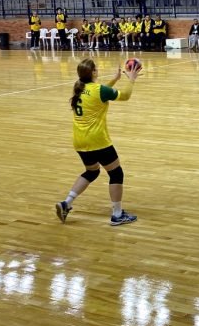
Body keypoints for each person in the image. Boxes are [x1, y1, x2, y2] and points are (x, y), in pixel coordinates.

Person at [55, 58, 141, 226]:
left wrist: (115, 79)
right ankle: (117, 214)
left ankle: (66, 203)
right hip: (97, 141)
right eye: (96, 68)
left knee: (92, 172)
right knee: (116, 173)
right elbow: (124, 96)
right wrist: (131, 80)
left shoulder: (79, 87)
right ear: (93, 72)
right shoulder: (99, 90)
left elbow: (100, 93)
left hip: (80, 141)